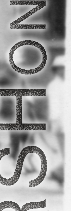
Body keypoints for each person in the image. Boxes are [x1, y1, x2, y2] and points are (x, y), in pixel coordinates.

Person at [46, 55, 65, 186]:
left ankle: (59, 173)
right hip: (60, 123)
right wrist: (55, 122)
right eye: (61, 68)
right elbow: (54, 107)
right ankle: (59, 173)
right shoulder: (54, 85)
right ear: (56, 70)